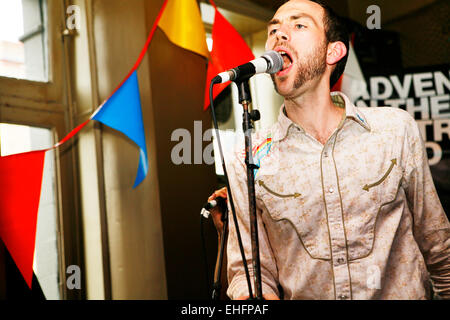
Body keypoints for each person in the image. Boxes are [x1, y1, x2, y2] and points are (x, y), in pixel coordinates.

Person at [209, 0, 450, 300]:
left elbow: (437, 245)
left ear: (332, 52)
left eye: (298, 25)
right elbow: (251, 274)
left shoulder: (395, 129)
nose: (279, 35)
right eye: (273, 29)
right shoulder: (248, 159)